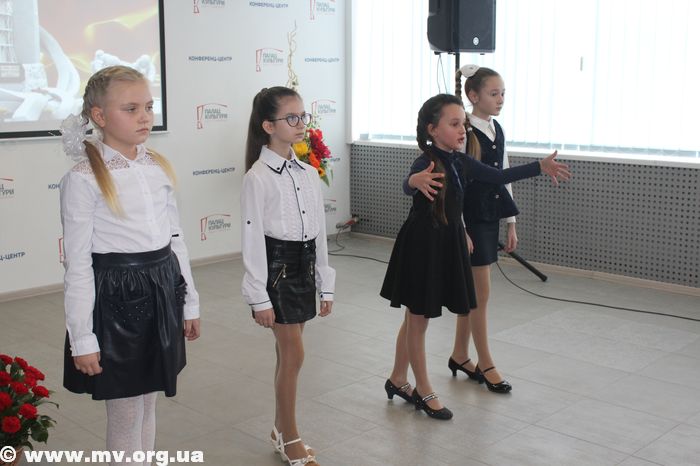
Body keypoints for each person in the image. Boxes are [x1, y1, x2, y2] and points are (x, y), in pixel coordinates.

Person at [381, 94, 570, 420]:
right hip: (422, 246)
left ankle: (398, 379)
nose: (462, 131)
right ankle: (423, 389)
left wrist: (538, 167)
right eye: (454, 124)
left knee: (415, 317)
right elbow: (407, 185)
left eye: (464, 125)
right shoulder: (426, 161)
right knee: (418, 318)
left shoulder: (460, 161)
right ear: (433, 129)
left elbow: (497, 177)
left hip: (447, 241)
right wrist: (414, 181)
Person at [59, 65, 201, 463]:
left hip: (161, 289)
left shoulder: (157, 167)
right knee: (125, 409)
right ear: (100, 116)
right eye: (131, 108)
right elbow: (78, 266)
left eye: (149, 107)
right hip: (118, 301)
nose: (145, 117)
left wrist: (189, 302)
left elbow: (175, 240)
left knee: (148, 401)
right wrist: (82, 338)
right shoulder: (83, 179)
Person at [240, 86, 335, 466]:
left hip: (304, 266)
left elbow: (320, 234)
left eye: (302, 116)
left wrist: (325, 283)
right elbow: (252, 240)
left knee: (288, 355)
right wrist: (258, 296)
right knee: (294, 354)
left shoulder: (309, 173)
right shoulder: (258, 177)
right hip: (276, 272)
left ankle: (280, 430)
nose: (300, 124)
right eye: (291, 118)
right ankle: (291, 436)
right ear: (268, 126)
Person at [446, 64, 541, 393]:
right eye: (494, 93)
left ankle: (460, 354)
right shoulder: (463, 132)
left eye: (503, 93)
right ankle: (486, 363)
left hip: (489, 217)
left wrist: (511, 221)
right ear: (473, 96)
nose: (500, 99)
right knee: (480, 295)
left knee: (473, 293)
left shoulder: (496, 128)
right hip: (469, 219)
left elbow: (504, 172)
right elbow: (455, 186)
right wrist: (461, 228)